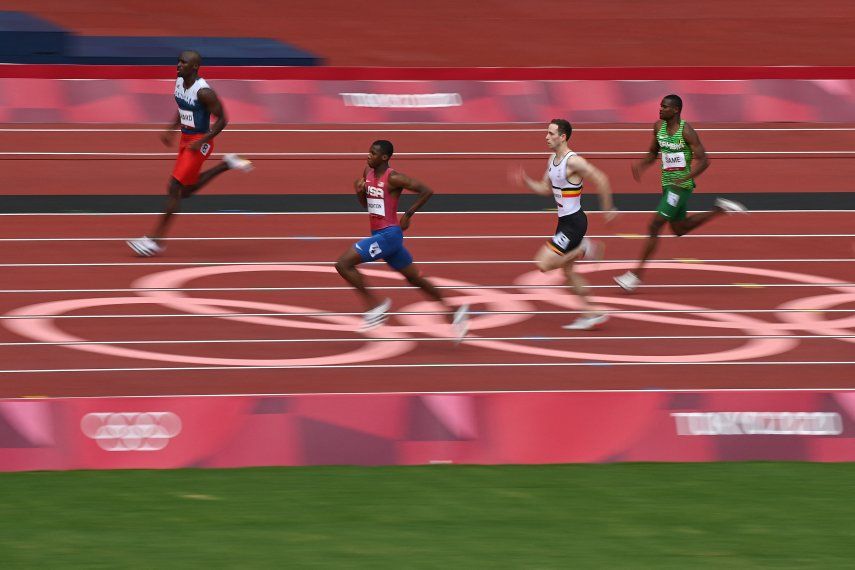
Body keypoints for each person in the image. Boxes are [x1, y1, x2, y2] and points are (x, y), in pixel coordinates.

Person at [335, 140, 469, 338]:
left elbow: (426, 190)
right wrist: (359, 192)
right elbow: (367, 204)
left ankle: (376, 306)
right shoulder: (368, 173)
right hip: (383, 237)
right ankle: (454, 312)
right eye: (368, 152)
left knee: (343, 264)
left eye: (373, 153)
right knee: (415, 279)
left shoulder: (394, 178)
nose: (368, 156)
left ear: (385, 157)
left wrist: (407, 214)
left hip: (388, 235)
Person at [614, 94, 746, 292]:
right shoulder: (658, 127)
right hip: (668, 185)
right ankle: (719, 210)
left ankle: (634, 276)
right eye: (660, 105)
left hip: (680, 187)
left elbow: (704, 160)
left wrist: (685, 178)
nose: (660, 109)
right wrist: (642, 164)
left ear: (675, 110)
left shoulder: (686, 131)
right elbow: (653, 152)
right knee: (679, 229)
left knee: (655, 224)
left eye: (665, 107)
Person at [127, 50, 253, 256]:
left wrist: (202, 141)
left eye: (183, 63)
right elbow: (182, 106)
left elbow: (222, 120)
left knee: (174, 187)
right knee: (186, 190)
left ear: (195, 67)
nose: (178, 65)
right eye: (178, 62)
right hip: (186, 139)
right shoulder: (178, 82)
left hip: (199, 142)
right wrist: (171, 128)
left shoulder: (204, 92)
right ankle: (226, 164)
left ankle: (155, 241)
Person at [514, 118, 617, 330]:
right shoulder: (552, 160)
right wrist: (527, 182)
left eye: (551, 133)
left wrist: (608, 209)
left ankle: (584, 247)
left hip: (574, 223)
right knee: (568, 272)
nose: (546, 137)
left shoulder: (574, 161)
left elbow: (602, 179)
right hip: (564, 222)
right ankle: (591, 312)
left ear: (563, 137)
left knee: (544, 263)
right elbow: (545, 189)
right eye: (546, 133)